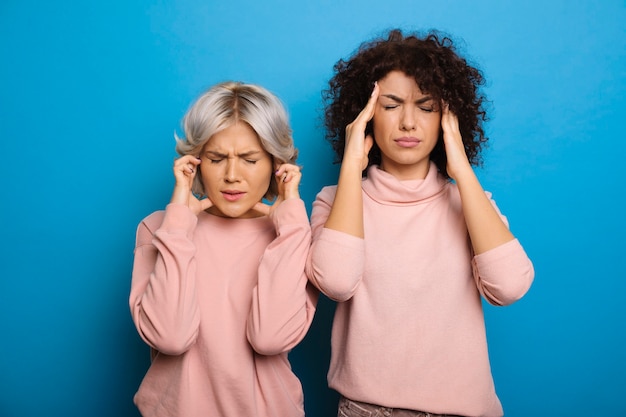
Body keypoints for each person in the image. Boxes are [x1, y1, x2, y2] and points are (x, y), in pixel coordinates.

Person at [306, 29, 535, 417]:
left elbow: (509, 288)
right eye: (391, 105)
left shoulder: (471, 205)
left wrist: (460, 168)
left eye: (426, 107)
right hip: (366, 409)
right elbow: (337, 282)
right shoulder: (334, 201)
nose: (409, 122)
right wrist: (351, 165)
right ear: (364, 115)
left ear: (448, 117)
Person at [130, 81, 318, 417]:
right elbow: (170, 336)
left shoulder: (293, 234)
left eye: (249, 159)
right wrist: (178, 225)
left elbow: (270, 338)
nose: (232, 175)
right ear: (195, 162)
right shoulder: (159, 228)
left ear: (276, 163)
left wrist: (290, 228)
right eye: (217, 159)